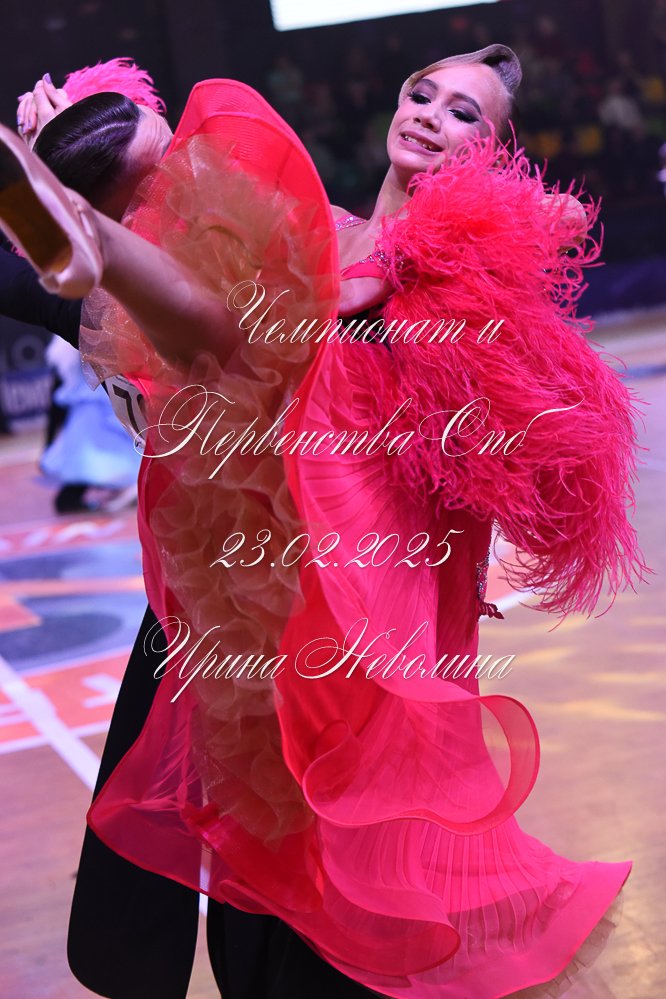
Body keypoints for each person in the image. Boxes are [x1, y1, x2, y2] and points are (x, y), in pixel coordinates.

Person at [0, 45, 643, 998]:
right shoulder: (317, 227)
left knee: (328, 899)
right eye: (422, 93)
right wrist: (83, 144)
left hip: (352, 602)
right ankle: (81, 229)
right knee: (246, 888)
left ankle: (88, 238)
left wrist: (437, 256)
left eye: (465, 113)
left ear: (493, 153)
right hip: (242, 570)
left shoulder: (467, 271)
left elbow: (541, 266)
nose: (430, 115)